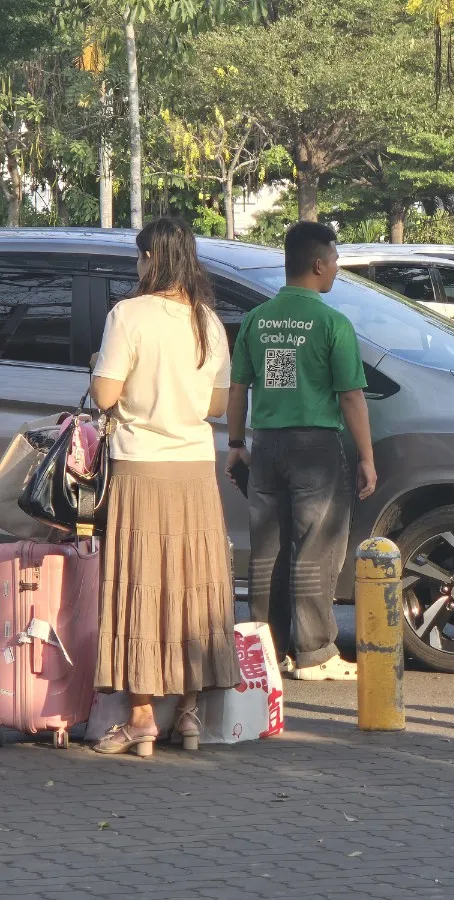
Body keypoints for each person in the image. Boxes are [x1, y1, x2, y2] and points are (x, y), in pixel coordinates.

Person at [90, 216, 239, 756]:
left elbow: (105, 396)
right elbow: (216, 404)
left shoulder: (128, 315)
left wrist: (98, 367)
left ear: (151, 258)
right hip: (195, 468)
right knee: (192, 586)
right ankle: (190, 714)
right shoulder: (209, 322)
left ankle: (141, 720)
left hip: (141, 467)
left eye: (140, 256)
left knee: (141, 585)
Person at [226, 222, 378, 682]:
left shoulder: (258, 320)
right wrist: (367, 457)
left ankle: (264, 651)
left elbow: (239, 388)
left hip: (266, 445)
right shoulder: (332, 323)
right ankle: (314, 653)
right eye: (334, 261)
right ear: (317, 264)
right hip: (315, 449)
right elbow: (351, 396)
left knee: (266, 552)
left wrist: (236, 444)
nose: (336, 269)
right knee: (315, 548)